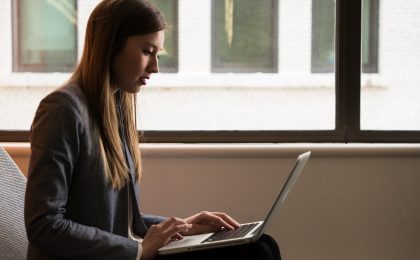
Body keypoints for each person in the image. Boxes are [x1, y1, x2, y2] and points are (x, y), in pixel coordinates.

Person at [24, 0, 281, 259]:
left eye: (158, 54)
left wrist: (183, 227)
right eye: (147, 51)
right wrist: (139, 250)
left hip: (123, 251)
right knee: (257, 254)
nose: (155, 67)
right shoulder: (61, 110)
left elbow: (121, 224)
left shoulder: (115, 106)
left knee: (262, 244)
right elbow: (44, 225)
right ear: (110, 46)